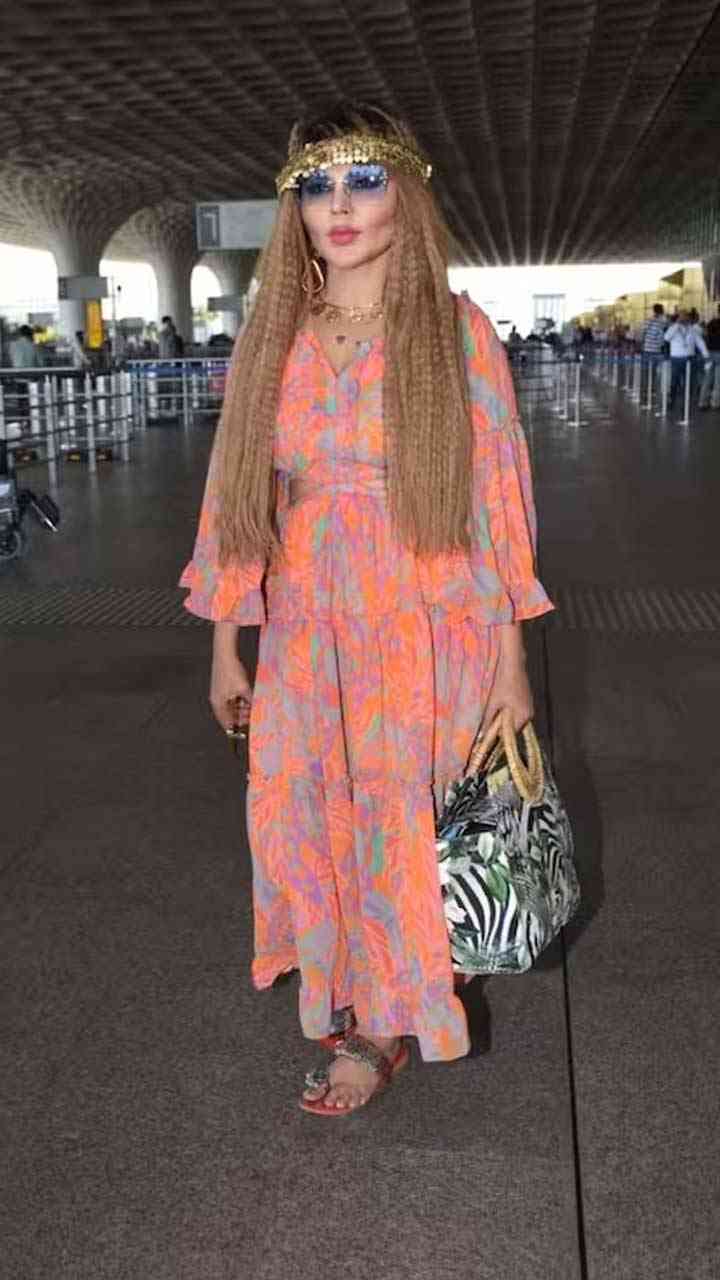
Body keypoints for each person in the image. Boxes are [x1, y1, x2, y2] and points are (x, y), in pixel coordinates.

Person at [179, 104, 554, 1116]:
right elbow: (236, 499)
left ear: (407, 195)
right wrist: (226, 645)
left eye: (363, 181)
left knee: (408, 819)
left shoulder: (457, 332)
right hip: (308, 624)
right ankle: (355, 990)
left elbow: (499, 505)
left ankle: (383, 1024)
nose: (339, 207)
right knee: (309, 813)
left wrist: (512, 667)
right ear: (294, 207)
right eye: (317, 186)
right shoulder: (274, 338)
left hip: (429, 619)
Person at [665, 310, 708, 412]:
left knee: (688, 383)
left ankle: (685, 404)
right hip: (676, 359)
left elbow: (700, 342)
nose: (684, 318)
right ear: (679, 317)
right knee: (674, 381)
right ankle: (671, 401)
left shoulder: (692, 329)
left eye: (686, 316)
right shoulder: (673, 328)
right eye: (682, 316)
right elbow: (666, 338)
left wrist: (706, 355)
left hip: (690, 359)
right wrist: (677, 324)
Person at [698, 303, 720, 410]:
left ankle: (702, 402)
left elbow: (705, 337)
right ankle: (715, 403)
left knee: (707, 379)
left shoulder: (711, 323)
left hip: (710, 353)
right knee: (718, 381)